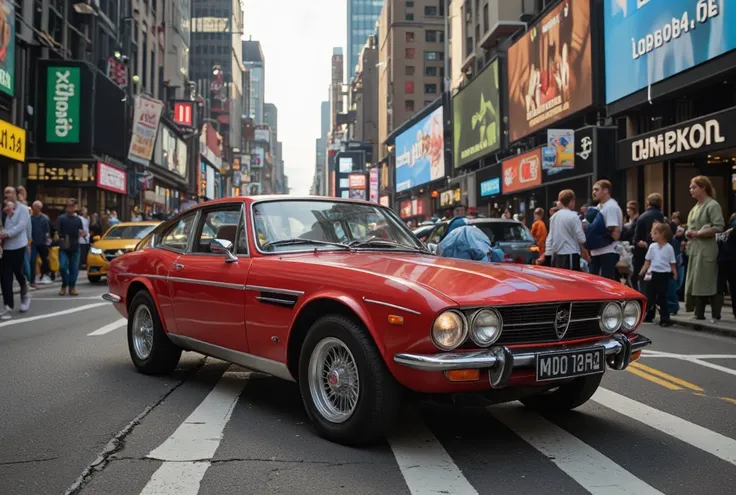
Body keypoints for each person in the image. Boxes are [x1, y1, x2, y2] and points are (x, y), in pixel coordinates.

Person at [685, 176, 725, 321]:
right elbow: (690, 228)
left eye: (694, 187)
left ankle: (715, 314)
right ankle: (698, 313)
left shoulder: (712, 205)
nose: (691, 190)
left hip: (707, 249)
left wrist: (699, 233)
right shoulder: (695, 208)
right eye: (690, 187)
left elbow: (719, 226)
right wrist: (687, 233)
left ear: (703, 188)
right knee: (696, 280)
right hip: (695, 249)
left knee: (709, 280)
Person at [0, 188, 32, 317]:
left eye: (10, 193)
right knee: (5, 276)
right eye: (5, 193)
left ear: (15, 194)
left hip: (19, 245)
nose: (7, 195)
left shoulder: (23, 209)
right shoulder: (3, 209)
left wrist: (7, 233)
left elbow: (21, 226)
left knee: (18, 272)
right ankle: (8, 305)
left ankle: (25, 293)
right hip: (6, 247)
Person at [538, 189, 589, 270]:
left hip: (556, 255)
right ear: (572, 201)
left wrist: (548, 253)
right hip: (571, 254)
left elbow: (550, 237)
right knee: (571, 279)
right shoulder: (574, 216)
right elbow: (581, 238)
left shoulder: (554, 217)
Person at [639, 222, 677, 327]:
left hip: (664, 274)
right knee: (650, 296)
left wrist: (675, 273)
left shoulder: (669, 248)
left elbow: (672, 263)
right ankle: (649, 315)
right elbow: (647, 261)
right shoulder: (652, 247)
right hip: (653, 273)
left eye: (655, 233)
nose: (652, 235)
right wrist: (642, 272)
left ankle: (665, 318)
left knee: (662, 297)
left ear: (662, 234)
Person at [588, 180, 623, 280]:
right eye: (593, 190)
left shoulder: (611, 206)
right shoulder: (600, 207)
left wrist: (597, 238)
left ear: (606, 191)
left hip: (607, 252)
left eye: (596, 189)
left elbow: (614, 231)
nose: (593, 192)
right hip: (597, 252)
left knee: (606, 284)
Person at [632, 193, 665, 293]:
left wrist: (638, 243)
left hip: (643, 253)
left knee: (641, 278)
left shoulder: (642, 217)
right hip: (659, 252)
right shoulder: (661, 216)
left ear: (648, 202)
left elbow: (636, 238)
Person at [56, 198, 84, 296]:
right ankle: (64, 285)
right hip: (64, 246)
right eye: (69, 206)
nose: (70, 208)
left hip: (75, 246)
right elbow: (58, 232)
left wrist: (83, 234)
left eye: (72, 206)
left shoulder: (78, 219)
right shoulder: (61, 218)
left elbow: (81, 231)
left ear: (75, 207)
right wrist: (61, 239)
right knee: (63, 266)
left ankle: (72, 287)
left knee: (74, 268)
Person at [30, 201, 52, 286]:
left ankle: (44, 274)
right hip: (33, 243)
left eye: (36, 207)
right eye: (34, 207)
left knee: (45, 260)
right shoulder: (30, 218)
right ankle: (32, 279)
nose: (34, 208)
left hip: (42, 243)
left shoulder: (45, 218)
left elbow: (47, 231)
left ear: (39, 208)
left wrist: (47, 241)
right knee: (32, 260)